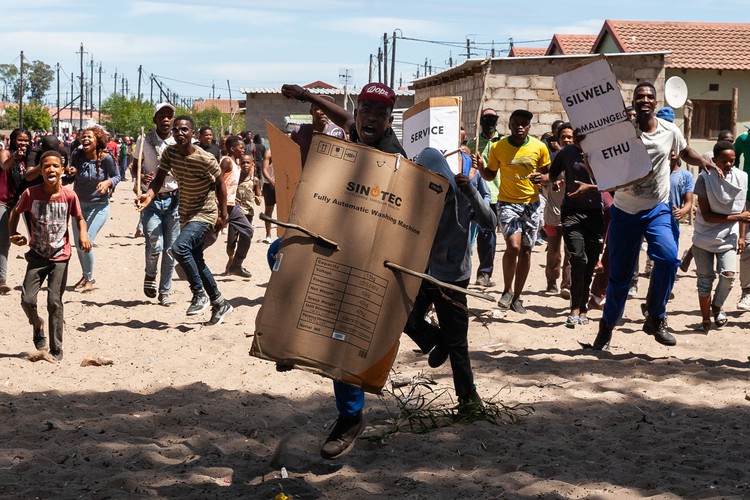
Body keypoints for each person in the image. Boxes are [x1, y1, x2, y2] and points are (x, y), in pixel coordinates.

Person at [281, 81, 405, 459]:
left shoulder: (393, 155)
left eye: (380, 113)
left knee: (344, 333)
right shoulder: (356, 128)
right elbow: (341, 114)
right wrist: (305, 96)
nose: (370, 117)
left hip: (369, 253)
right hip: (334, 237)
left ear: (388, 120)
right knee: (280, 253)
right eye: (366, 109)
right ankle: (289, 337)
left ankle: (350, 418)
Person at [583, 82, 719, 350]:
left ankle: (655, 317)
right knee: (620, 277)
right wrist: (585, 144)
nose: (644, 100)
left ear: (655, 103)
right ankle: (607, 327)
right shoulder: (622, 133)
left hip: (657, 208)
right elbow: (599, 160)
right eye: (639, 97)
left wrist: (701, 161)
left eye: (649, 97)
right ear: (633, 102)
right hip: (625, 210)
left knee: (669, 259)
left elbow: (685, 151)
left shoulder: (669, 130)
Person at [404, 146, 496, 412]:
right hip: (424, 273)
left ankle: (469, 400)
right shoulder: (417, 197)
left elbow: (489, 222)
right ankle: (437, 338)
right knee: (404, 318)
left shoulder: (461, 192)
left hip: (454, 278)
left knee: (458, 343)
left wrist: (470, 190)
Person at [136, 115, 233, 326]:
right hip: (186, 213)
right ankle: (219, 302)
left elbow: (220, 185)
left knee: (178, 248)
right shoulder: (170, 153)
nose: (180, 133)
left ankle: (199, 294)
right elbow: (159, 179)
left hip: (205, 213)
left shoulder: (205, 158)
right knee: (196, 260)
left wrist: (223, 215)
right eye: (176, 130)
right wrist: (149, 195)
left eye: (184, 130)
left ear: (192, 133)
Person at [9, 150, 91, 361]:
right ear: (40, 171)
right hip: (37, 255)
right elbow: (16, 212)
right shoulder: (31, 193)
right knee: (27, 299)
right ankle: (37, 323)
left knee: (55, 301)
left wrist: (83, 233)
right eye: (46, 166)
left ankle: (56, 348)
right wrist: (13, 233)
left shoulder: (69, 196)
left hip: (60, 256)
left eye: (55, 166)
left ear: (62, 170)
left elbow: (80, 218)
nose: (51, 169)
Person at [476, 109, 551, 314]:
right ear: (509, 125)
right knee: (514, 247)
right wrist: (481, 167)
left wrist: (544, 179)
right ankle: (507, 290)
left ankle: (517, 297)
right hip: (507, 203)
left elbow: (548, 173)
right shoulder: (499, 147)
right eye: (516, 122)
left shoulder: (539, 147)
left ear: (529, 127)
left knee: (527, 250)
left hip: (532, 204)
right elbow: (490, 175)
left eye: (524, 123)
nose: (520, 126)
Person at [691, 141, 749, 331]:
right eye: (723, 160)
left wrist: (741, 235)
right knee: (705, 279)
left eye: (732, 160)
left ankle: (717, 305)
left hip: (729, 236)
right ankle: (706, 319)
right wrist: (738, 217)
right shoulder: (704, 179)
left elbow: (742, 207)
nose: (728, 164)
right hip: (704, 236)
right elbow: (707, 215)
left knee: (728, 275)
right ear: (714, 160)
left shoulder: (741, 178)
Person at [548, 128, 602, 328]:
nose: (580, 135)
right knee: (578, 258)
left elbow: (612, 183)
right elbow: (553, 174)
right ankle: (574, 308)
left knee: (590, 263)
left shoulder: (601, 151)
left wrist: (590, 187)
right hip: (571, 212)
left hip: (596, 213)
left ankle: (583, 306)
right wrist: (557, 181)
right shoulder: (567, 152)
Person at [133, 103, 179, 306]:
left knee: (170, 249)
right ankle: (150, 274)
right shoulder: (144, 140)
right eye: (162, 116)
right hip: (150, 199)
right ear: (155, 119)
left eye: (169, 116)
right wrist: (140, 177)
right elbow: (134, 166)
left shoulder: (181, 141)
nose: (166, 119)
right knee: (155, 243)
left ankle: (165, 291)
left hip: (175, 199)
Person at [67, 126, 120, 292]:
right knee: (78, 243)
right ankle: (85, 275)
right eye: (83, 137)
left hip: (99, 206)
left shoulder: (106, 158)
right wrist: (71, 171)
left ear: (97, 140)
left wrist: (107, 183)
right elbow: (72, 173)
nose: (85, 139)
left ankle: (89, 279)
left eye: (89, 137)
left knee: (86, 240)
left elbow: (117, 176)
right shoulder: (77, 154)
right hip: (78, 206)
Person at [203, 135, 255, 277]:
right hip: (221, 205)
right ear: (232, 149)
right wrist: (218, 202)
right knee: (211, 237)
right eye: (241, 147)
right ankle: (187, 258)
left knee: (247, 231)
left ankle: (236, 265)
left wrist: (233, 196)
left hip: (232, 205)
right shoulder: (226, 161)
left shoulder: (236, 163)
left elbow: (228, 184)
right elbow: (216, 181)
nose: (243, 149)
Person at [466, 109, 502, 288]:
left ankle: (487, 273)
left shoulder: (503, 143)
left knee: (491, 236)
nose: (489, 122)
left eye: (492, 119)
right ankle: (476, 272)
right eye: (486, 119)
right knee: (478, 235)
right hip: (478, 195)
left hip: (498, 194)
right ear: (480, 121)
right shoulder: (473, 144)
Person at [541, 123, 573, 298]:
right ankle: (551, 280)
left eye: (570, 137)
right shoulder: (554, 158)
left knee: (570, 251)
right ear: (558, 139)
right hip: (553, 213)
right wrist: (550, 180)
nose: (567, 140)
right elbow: (546, 176)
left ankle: (566, 285)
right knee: (553, 251)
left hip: (573, 213)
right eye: (564, 137)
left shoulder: (580, 159)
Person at [0, 129, 32, 294]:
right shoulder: (5, 153)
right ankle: (2, 280)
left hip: (21, 202)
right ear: (13, 140)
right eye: (20, 140)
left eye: (26, 141)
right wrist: (14, 156)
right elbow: (4, 166)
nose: (23, 144)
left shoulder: (29, 158)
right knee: (4, 240)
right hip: (3, 202)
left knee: (35, 238)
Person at [290, 95, 347, 165]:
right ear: (311, 112)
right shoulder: (299, 132)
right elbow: (291, 158)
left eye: (327, 110)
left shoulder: (338, 132)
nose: (323, 112)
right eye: (318, 108)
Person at [227, 154, 261, 267]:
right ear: (239, 164)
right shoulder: (235, 178)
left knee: (244, 237)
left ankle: (237, 263)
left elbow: (258, 195)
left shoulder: (255, 180)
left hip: (248, 213)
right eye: (243, 163)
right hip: (235, 212)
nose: (245, 165)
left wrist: (258, 199)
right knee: (231, 240)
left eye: (248, 163)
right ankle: (230, 257)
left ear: (252, 164)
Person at [733, 126, 750, 309]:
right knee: (747, 247)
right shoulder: (744, 139)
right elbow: (734, 157)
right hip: (748, 199)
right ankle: (747, 291)